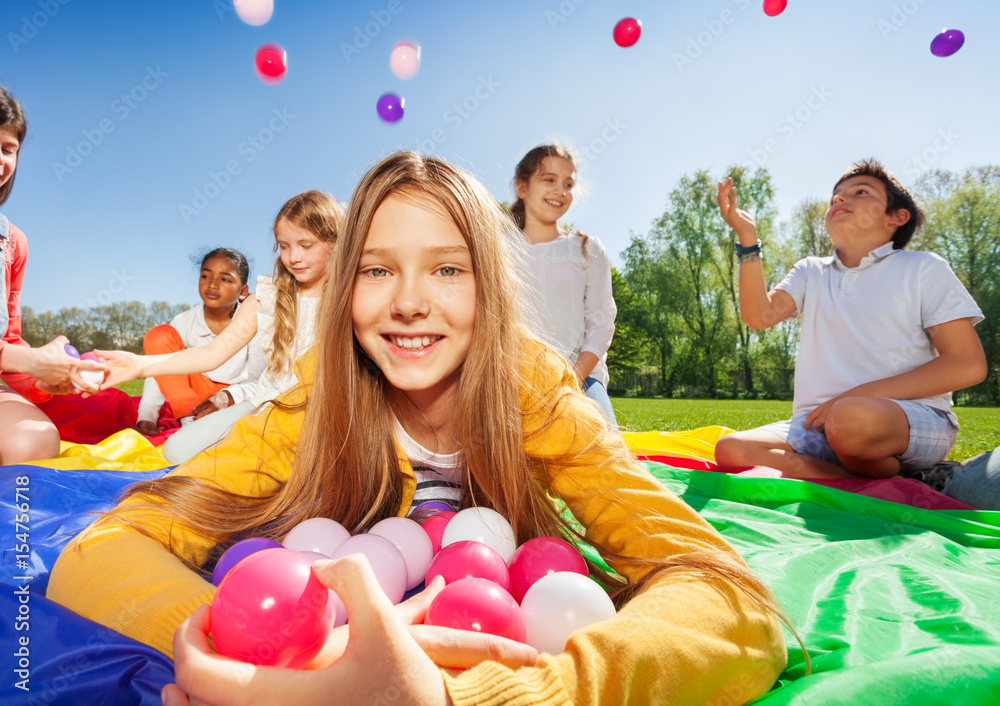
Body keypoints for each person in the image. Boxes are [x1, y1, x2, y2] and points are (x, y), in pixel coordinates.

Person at [49, 152, 788, 705]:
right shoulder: (320, 398)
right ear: (345, 291)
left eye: (447, 270)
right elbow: (101, 549)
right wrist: (266, 655)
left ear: (490, 288)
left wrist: (504, 692)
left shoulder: (532, 390)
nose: (408, 303)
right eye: (375, 271)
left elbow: (733, 601)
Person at [714, 159, 987, 490]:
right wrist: (748, 238)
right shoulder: (810, 271)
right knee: (732, 450)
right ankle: (881, 483)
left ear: (897, 217)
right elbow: (760, 316)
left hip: (912, 420)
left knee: (849, 419)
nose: (840, 200)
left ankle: (878, 469)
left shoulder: (923, 267)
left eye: (860, 192)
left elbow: (967, 364)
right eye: (835, 197)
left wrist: (858, 396)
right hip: (817, 426)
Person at [98, 190, 342, 463]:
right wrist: (139, 365)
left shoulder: (349, 298)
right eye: (284, 246)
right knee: (176, 451)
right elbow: (213, 353)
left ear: (334, 242)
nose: (293, 257)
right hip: (265, 406)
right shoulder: (265, 297)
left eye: (305, 245)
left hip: (320, 412)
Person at [0, 84, 104, 464]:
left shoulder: (13, 243)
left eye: (8, 148)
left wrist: (43, 380)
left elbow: (9, 338)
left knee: (36, 439)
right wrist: (33, 361)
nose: (0, 158)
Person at [511, 144, 619, 426]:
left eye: (568, 184)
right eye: (549, 180)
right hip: (511, 381)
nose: (560, 190)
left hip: (579, 379)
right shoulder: (498, 250)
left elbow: (602, 322)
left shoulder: (587, 249)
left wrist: (570, 380)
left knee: (605, 453)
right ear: (522, 188)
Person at [135, 248, 252, 437]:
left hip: (237, 398)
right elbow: (159, 370)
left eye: (225, 279)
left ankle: (221, 423)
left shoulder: (253, 319)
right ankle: (190, 421)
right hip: (196, 397)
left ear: (243, 291)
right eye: (206, 276)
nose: (212, 285)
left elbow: (265, 378)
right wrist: (147, 416)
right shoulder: (183, 322)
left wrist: (231, 396)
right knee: (158, 336)